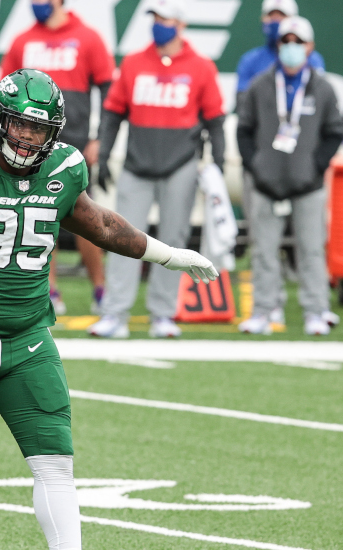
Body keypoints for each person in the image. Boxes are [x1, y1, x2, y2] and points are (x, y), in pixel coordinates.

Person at [0, 68, 217, 550]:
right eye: (21, 124)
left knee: (56, 461)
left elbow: (101, 226)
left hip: (28, 337)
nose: (29, 137)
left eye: (40, 127)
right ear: (0, 120)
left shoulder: (65, 169)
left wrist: (168, 254)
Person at [89, 0, 226, 339]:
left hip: (181, 163)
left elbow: (215, 121)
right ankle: (115, 313)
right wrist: (105, 156)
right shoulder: (134, 62)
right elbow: (113, 113)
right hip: (137, 161)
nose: (157, 24)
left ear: (180, 24)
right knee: (120, 236)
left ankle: (163, 313)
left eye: (163, 19)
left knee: (173, 239)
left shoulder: (201, 67)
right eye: (155, 18)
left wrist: (219, 167)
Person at [1, 0, 115, 315]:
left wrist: (100, 138)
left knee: (86, 216)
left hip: (76, 140)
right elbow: (5, 92)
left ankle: (101, 289)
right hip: (31, 141)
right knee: (37, 214)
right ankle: (47, 291)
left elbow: (110, 93)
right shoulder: (22, 41)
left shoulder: (88, 38)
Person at [237, 16, 343, 336]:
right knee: (264, 250)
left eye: (298, 42)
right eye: (286, 41)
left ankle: (316, 310)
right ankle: (263, 311)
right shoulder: (260, 84)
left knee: (312, 250)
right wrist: (256, 167)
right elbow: (244, 130)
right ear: (278, 45)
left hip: (307, 184)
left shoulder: (323, 88)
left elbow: (334, 132)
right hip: (267, 184)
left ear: (310, 47)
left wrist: (315, 166)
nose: (292, 47)